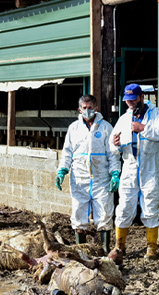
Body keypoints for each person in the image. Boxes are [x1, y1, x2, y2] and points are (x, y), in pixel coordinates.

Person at [108, 84, 159, 263]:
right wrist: (115, 143)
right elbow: (112, 147)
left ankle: (151, 247)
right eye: (127, 100)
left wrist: (144, 128)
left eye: (133, 99)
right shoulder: (124, 118)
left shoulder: (155, 114)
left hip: (150, 169)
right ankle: (120, 246)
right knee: (125, 206)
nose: (130, 103)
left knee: (150, 205)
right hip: (129, 167)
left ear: (141, 97)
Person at [55, 94, 120, 254]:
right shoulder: (74, 129)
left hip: (101, 178)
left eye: (90, 108)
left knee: (104, 213)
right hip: (80, 178)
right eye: (84, 108)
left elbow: (112, 153)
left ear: (96, 108)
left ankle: (104, 250)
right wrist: (62, 170)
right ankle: (80, 250)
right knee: (79, 214)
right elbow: (67, 152)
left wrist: (115, 173)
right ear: (79, 109)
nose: (87, 111)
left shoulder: (105, 127)